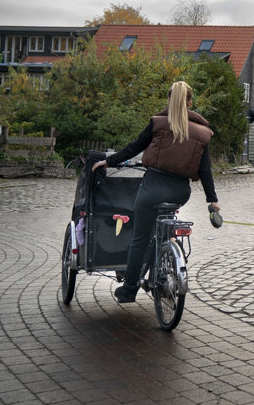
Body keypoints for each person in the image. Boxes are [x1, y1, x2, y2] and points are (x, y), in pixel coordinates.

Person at [91, 81, 219, 303]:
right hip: (180, 192)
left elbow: (134, 147)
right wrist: (213, 200)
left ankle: (129, 289)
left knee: (140, 238)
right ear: (190, 103)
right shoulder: (202, 133)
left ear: (169, 100)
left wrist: (108, 162)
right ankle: (165, 256)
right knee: (164, 227)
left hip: (152, 189)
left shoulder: (158, 124)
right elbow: (205, 170)